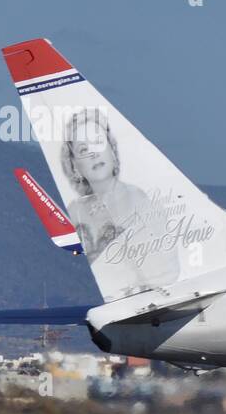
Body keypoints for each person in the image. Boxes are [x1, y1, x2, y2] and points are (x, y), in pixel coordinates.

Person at [59, 108, 181, 295]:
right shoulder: (75, 212)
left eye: (98, 142)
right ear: (74, 166)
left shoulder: (137, 198)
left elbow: (165, 265)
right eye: (84, 150)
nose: (93, 153)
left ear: (112, 149)